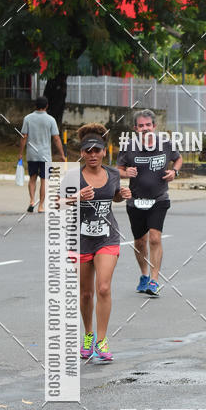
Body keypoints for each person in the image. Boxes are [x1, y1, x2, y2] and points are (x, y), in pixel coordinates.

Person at [64, 125, 131, 362]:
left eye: (97, 151)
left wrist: (120, 196)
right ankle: (89, 335)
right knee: (85, 294)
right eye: (88, 151)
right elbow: (55, 203)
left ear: (104, 152)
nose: (93, 155)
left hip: (107, 237)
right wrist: (76, 197)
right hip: (81, 240)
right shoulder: (73, 176)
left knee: (103, 287)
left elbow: (112, 196)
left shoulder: (113, 174)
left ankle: (102, 340)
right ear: (81, 153)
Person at [116, 109, 182, 296]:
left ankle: (154, 280)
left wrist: (174, 172)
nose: (145, 129)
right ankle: (144, 275)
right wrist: (125, 172)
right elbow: (118, 169)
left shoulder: (166, 143)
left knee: (154, 237)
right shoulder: (128, 146)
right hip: (135, 201)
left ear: (154, 126)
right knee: (139, 241)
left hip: (159, 199)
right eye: (141, 126)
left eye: (148, 125)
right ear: (135, 128)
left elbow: (178, 159)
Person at [18, 96, 66, 213]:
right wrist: (62, 154)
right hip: (45, 155)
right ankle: (40, 206)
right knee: (44, 180)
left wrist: (20, 153)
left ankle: (31, 201)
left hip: (31, 154)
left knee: (32, 178)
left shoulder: (28, 118)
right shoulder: (51, 120)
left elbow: (24, 137)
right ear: (47, 106)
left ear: (35, 106)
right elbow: (56, 138)